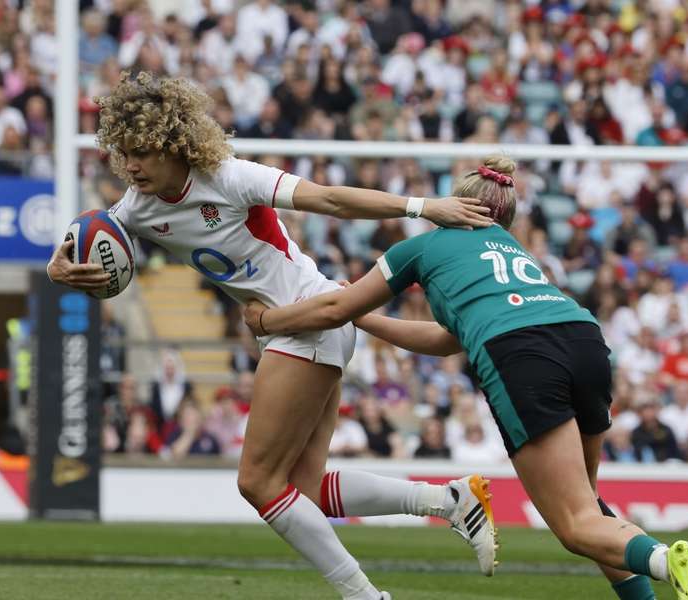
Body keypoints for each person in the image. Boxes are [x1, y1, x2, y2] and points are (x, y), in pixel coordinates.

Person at [46, 71, 497, 600]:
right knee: (303, 490)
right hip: (304, 328)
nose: (132, 166)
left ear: (173, 144)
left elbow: (330, 199)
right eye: (124, 154)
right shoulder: (135, 207)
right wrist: (59, 270)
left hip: (307, 319)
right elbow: (87, 246)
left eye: (142, 152)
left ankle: (364, 596)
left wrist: (423, 207)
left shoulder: (229, 176)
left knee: (257, 483)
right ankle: (450, 501)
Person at [244, 154, 688, 600]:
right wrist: (367, 321)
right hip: (584, 339)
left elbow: (334, 308)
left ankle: (663, 560)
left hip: (523, 355)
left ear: (454, 203)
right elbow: (447, 340)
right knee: (588, 504)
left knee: (575, 526)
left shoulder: (422, 246)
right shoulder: (513, 248)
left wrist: (268, 321)